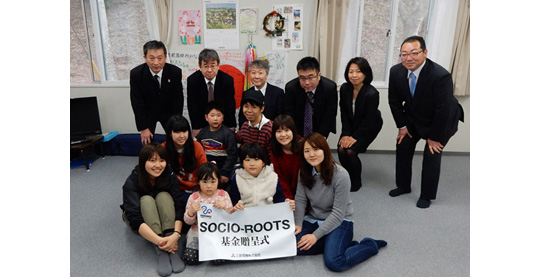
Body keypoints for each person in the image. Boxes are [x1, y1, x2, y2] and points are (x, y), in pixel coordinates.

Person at [388, 36, 464, 208]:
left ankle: (426, 195)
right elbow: (394, 101)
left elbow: (442, 110)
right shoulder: (396, 72)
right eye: (404, 54)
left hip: (441, 120)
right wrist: (402, 126)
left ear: (425, 53)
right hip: (415, 116)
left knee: (432, 154)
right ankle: (403, 185)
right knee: (403, 144)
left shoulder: (440, 75)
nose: (408, 58)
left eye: (414, 53)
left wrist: (434, 137)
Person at [294, 132, 387, 272]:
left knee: (335, 262)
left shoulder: (341, 175)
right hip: (314, 219)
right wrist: (298, 224)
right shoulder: (304, 171)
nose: (311, 154)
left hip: (340, 222)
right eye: (307, 151)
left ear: (325, 150)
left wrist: (315, 236)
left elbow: (338, 214)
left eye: (316, 149)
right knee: (294, 246)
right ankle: (341, 243)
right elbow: (300, 200)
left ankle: (369, 245)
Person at [121, 143, 186, 276]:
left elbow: (179, 205)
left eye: (161, 160)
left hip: (167, 221)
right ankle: (161, 250)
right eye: (152, 160)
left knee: (164, 196)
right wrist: (159, 242)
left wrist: (175, 236)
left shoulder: (169, 174)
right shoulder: (132, 180)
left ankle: (168, 237)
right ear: (143, 161)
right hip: (142, 218)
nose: (158, 165)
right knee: (146, 200)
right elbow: (134, 218)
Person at [338, 57, 383, 192]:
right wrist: (346, 134)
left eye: (358, 71)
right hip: (351, 124)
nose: (354, 75)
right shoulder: (345, 88)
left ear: (365, 73)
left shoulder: (372, 93)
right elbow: (344, 113)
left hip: (369, 126)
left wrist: (354, 137)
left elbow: (368, 120)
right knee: (341, 148)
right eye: (351, 72)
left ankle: (356, 181)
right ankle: (346, 177)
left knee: (351, 151)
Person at [130, 40, 183, 145]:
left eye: (160, 58)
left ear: (165, 57)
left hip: (168, 112)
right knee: (147, 142)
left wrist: (177, 123)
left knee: (175, 141)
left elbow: (178, 100)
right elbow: (137, 102)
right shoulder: (136, 74)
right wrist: (143, 128)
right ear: (145, 57)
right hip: (148, 113)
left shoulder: (175, 72)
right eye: (151, 58)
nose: (156, 63)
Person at [182, 162, 234, 265]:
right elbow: (187, 221)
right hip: (197, 232)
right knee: (190, 259)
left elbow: (231, 218)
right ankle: (191, 245)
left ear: (218, 181)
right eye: (205, 182)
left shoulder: (223, 195)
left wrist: (225, 206)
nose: (209, 186)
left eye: (213, 181)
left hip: (218, 232)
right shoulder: (194, 197)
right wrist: (191, 212)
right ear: (198, 182)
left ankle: (209, 251)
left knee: (219, 259)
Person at [228, 142, 295, 211]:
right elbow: (233, 200)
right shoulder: (237, 178)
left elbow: (279, 199)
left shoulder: (273, 177)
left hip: (268, 215)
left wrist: (286, 202)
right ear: (242, 163)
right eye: (247, 160)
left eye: (256, 159)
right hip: (246, 215)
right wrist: (236, 206)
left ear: (263, 162)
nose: (252, 164)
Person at [187, 48, 236, 137]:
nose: (209, 70)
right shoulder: (193, 81)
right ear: (200, 66)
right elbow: (192, 106)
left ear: (218, 65)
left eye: (213, 66)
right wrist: (196, 127)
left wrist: (230, 126)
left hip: (222, 120)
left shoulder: (227, 80)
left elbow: (230, 106)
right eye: (205, 66)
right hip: (201, 120)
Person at [284, 57, 337, 138]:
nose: (307, 82)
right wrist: (296, 136)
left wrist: (321, 135)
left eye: (310, 77)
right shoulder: (291, 88)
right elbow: (290, 115)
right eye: (302, 78)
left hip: (320, 126)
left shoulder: (329, 88)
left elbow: (330, 114)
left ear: (319, 75)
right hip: (298, 128)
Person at [196, 101, 238, 188]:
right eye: (212, 115)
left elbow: (232, 155)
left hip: (221, 171)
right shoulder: (202, 133)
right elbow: (198, 152)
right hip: (205, 170)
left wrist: (225, 172)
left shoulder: (228, 134)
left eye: (218, 115)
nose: (215, 118)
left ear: (223, 117)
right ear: (206, 117)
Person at [162, 115, 207, 193]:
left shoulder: (196, 146)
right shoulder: (162, 149)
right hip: (172, 189)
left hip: (196, 189)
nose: (182, 136)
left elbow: (205, 171)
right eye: (177, 132)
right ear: (170, 133)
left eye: (184, 131)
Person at [238, 59, 285, 127]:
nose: (256, 76)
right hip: (251, 132)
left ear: (267, 75)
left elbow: (280, 117)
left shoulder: (277, 93)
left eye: (260, 73)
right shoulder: (246, 93)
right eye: (253, 73)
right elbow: (242, 117)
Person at [235, 90, 273, 165]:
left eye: (253, 107)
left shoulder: (269, 129)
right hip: (247, 167)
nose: (249, 111)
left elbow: (272, 158)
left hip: (265, 169)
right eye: (246, 106)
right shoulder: (245, 126)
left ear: (262, 109)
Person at [270, 114, 302, 200]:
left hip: (305, 193)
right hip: (286, 195)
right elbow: (280, 179)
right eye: (279, 131)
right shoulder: (274, 152)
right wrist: (288, 198)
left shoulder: (304, 146)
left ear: (293, 131)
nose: (283, 135)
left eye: (287, 130)